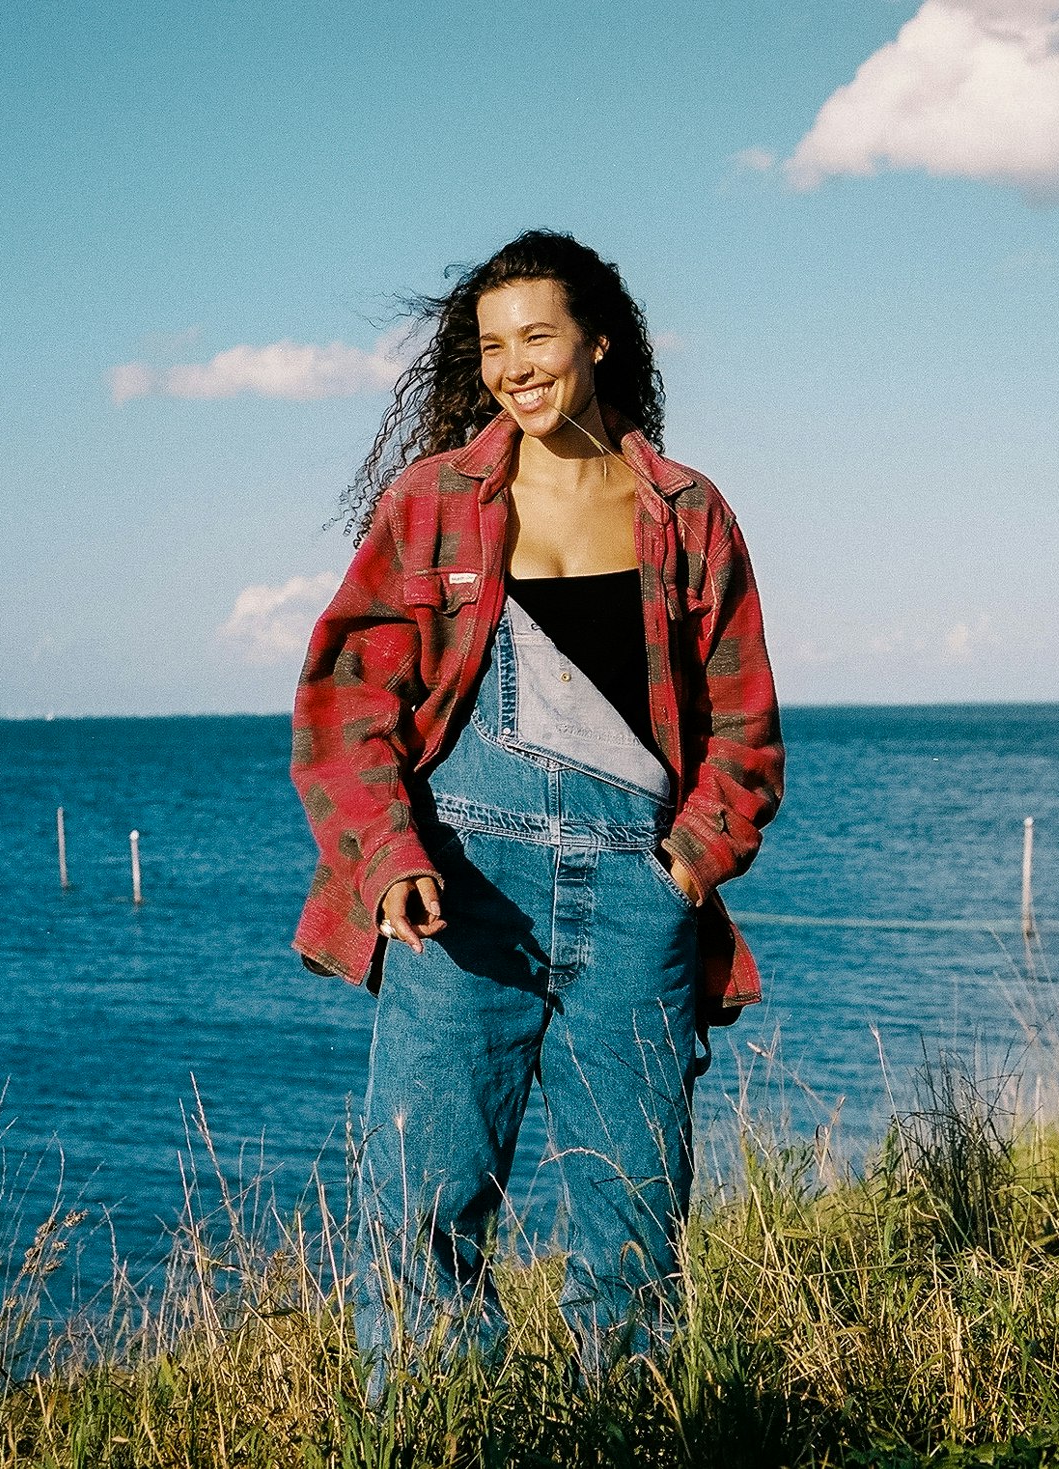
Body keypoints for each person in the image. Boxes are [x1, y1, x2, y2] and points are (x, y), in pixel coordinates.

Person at [287, 230, 784, 1386]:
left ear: (598, 340)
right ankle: (430, 1432)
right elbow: (347, 698)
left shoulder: (686, 511)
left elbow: (744, 725)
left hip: (636, 895)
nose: (515, 364)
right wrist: (389, 857)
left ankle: (622, 1427)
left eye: (539, 336)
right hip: (461, 892)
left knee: (634, 1217)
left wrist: (689, 866)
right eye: (493, 345)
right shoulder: (434, 503)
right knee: (421, 1208)